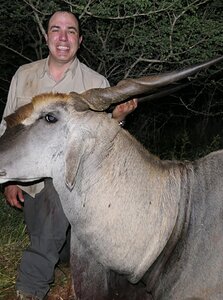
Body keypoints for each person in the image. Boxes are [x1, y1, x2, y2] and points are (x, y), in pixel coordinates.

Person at [0, 11, 137, 300]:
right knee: (57, 242)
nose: (63, 38)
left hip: (78, 183)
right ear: (46, 36)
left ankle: (30, 288)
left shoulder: (96, 81)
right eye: (56, 30)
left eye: (71, 31)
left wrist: (119, 117)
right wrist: (9, 181)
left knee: (60, 191)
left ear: (80, 40)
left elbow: (103, 140)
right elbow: (6, 129)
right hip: (33, 184)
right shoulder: (24, 75)